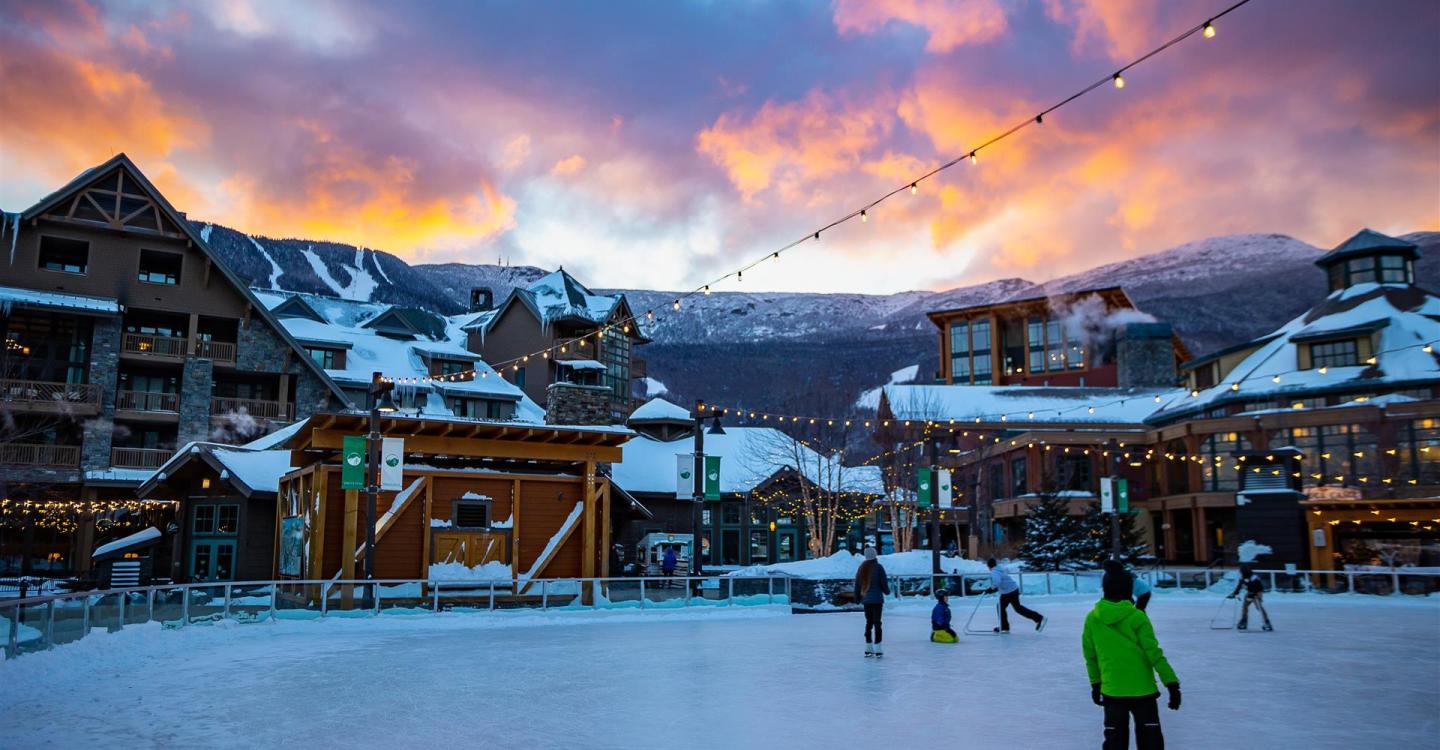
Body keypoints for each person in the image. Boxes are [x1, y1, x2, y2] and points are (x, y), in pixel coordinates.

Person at [1083, 564, 1181, 750]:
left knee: (1115, 741)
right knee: (1150, 740)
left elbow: (1090, 656)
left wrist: (1096, 684)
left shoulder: (1092, 618)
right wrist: (1171, 683)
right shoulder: (1137, 617)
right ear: (1129, 590)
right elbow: (1154, 653)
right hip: (1143, 691)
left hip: (1112, 690)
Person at [987, 558, 1046, 633]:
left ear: (989, 566)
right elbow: (1003, 581)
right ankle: (1005, 627)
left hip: (1009, 592)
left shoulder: (994, 571)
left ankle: (1004, 627)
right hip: (1011, 590)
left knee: (1005, 607)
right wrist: (994, 588)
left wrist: (991, 589)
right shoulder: (999, 569)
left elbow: (997, 582)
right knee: (1013, 608)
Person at [856, 546, 890, 656]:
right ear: (875, 555)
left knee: (869, 623)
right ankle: (878, 648)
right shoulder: (879, 567)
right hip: (877, 600)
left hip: (866, 600)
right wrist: (887, 591)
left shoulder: (861, 568)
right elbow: (883, 582)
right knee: (877, 623)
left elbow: (857, 584)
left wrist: (857, 598)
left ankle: (868, 647)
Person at [1227, 564, 1273, 631]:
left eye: (1241, 571)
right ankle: (1244, 621)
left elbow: (1258, 587)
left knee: (1259, 607)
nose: (1240, 573)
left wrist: (1253, 594)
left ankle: (1266, 622)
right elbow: (1239, 586)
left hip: (1258, 592)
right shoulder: (1243, 578)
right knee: (1244, 606)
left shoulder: (1254, 577)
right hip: (1250, 592)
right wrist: (1234, 594)